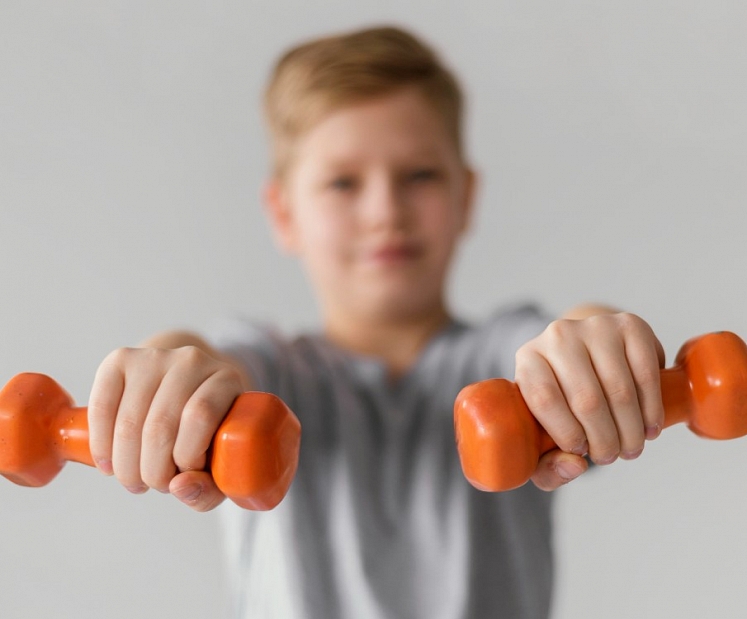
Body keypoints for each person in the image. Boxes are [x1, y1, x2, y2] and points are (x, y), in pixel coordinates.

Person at [86, 26, 665, 619]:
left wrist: (597, 337)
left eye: (420, 176)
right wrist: (167, 358)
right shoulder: (270, 371)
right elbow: (210, 363)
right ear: (284, 215)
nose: (386, 212)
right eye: (342, 182)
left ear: (466, 197)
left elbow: (560, 342)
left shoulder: (506, 359)